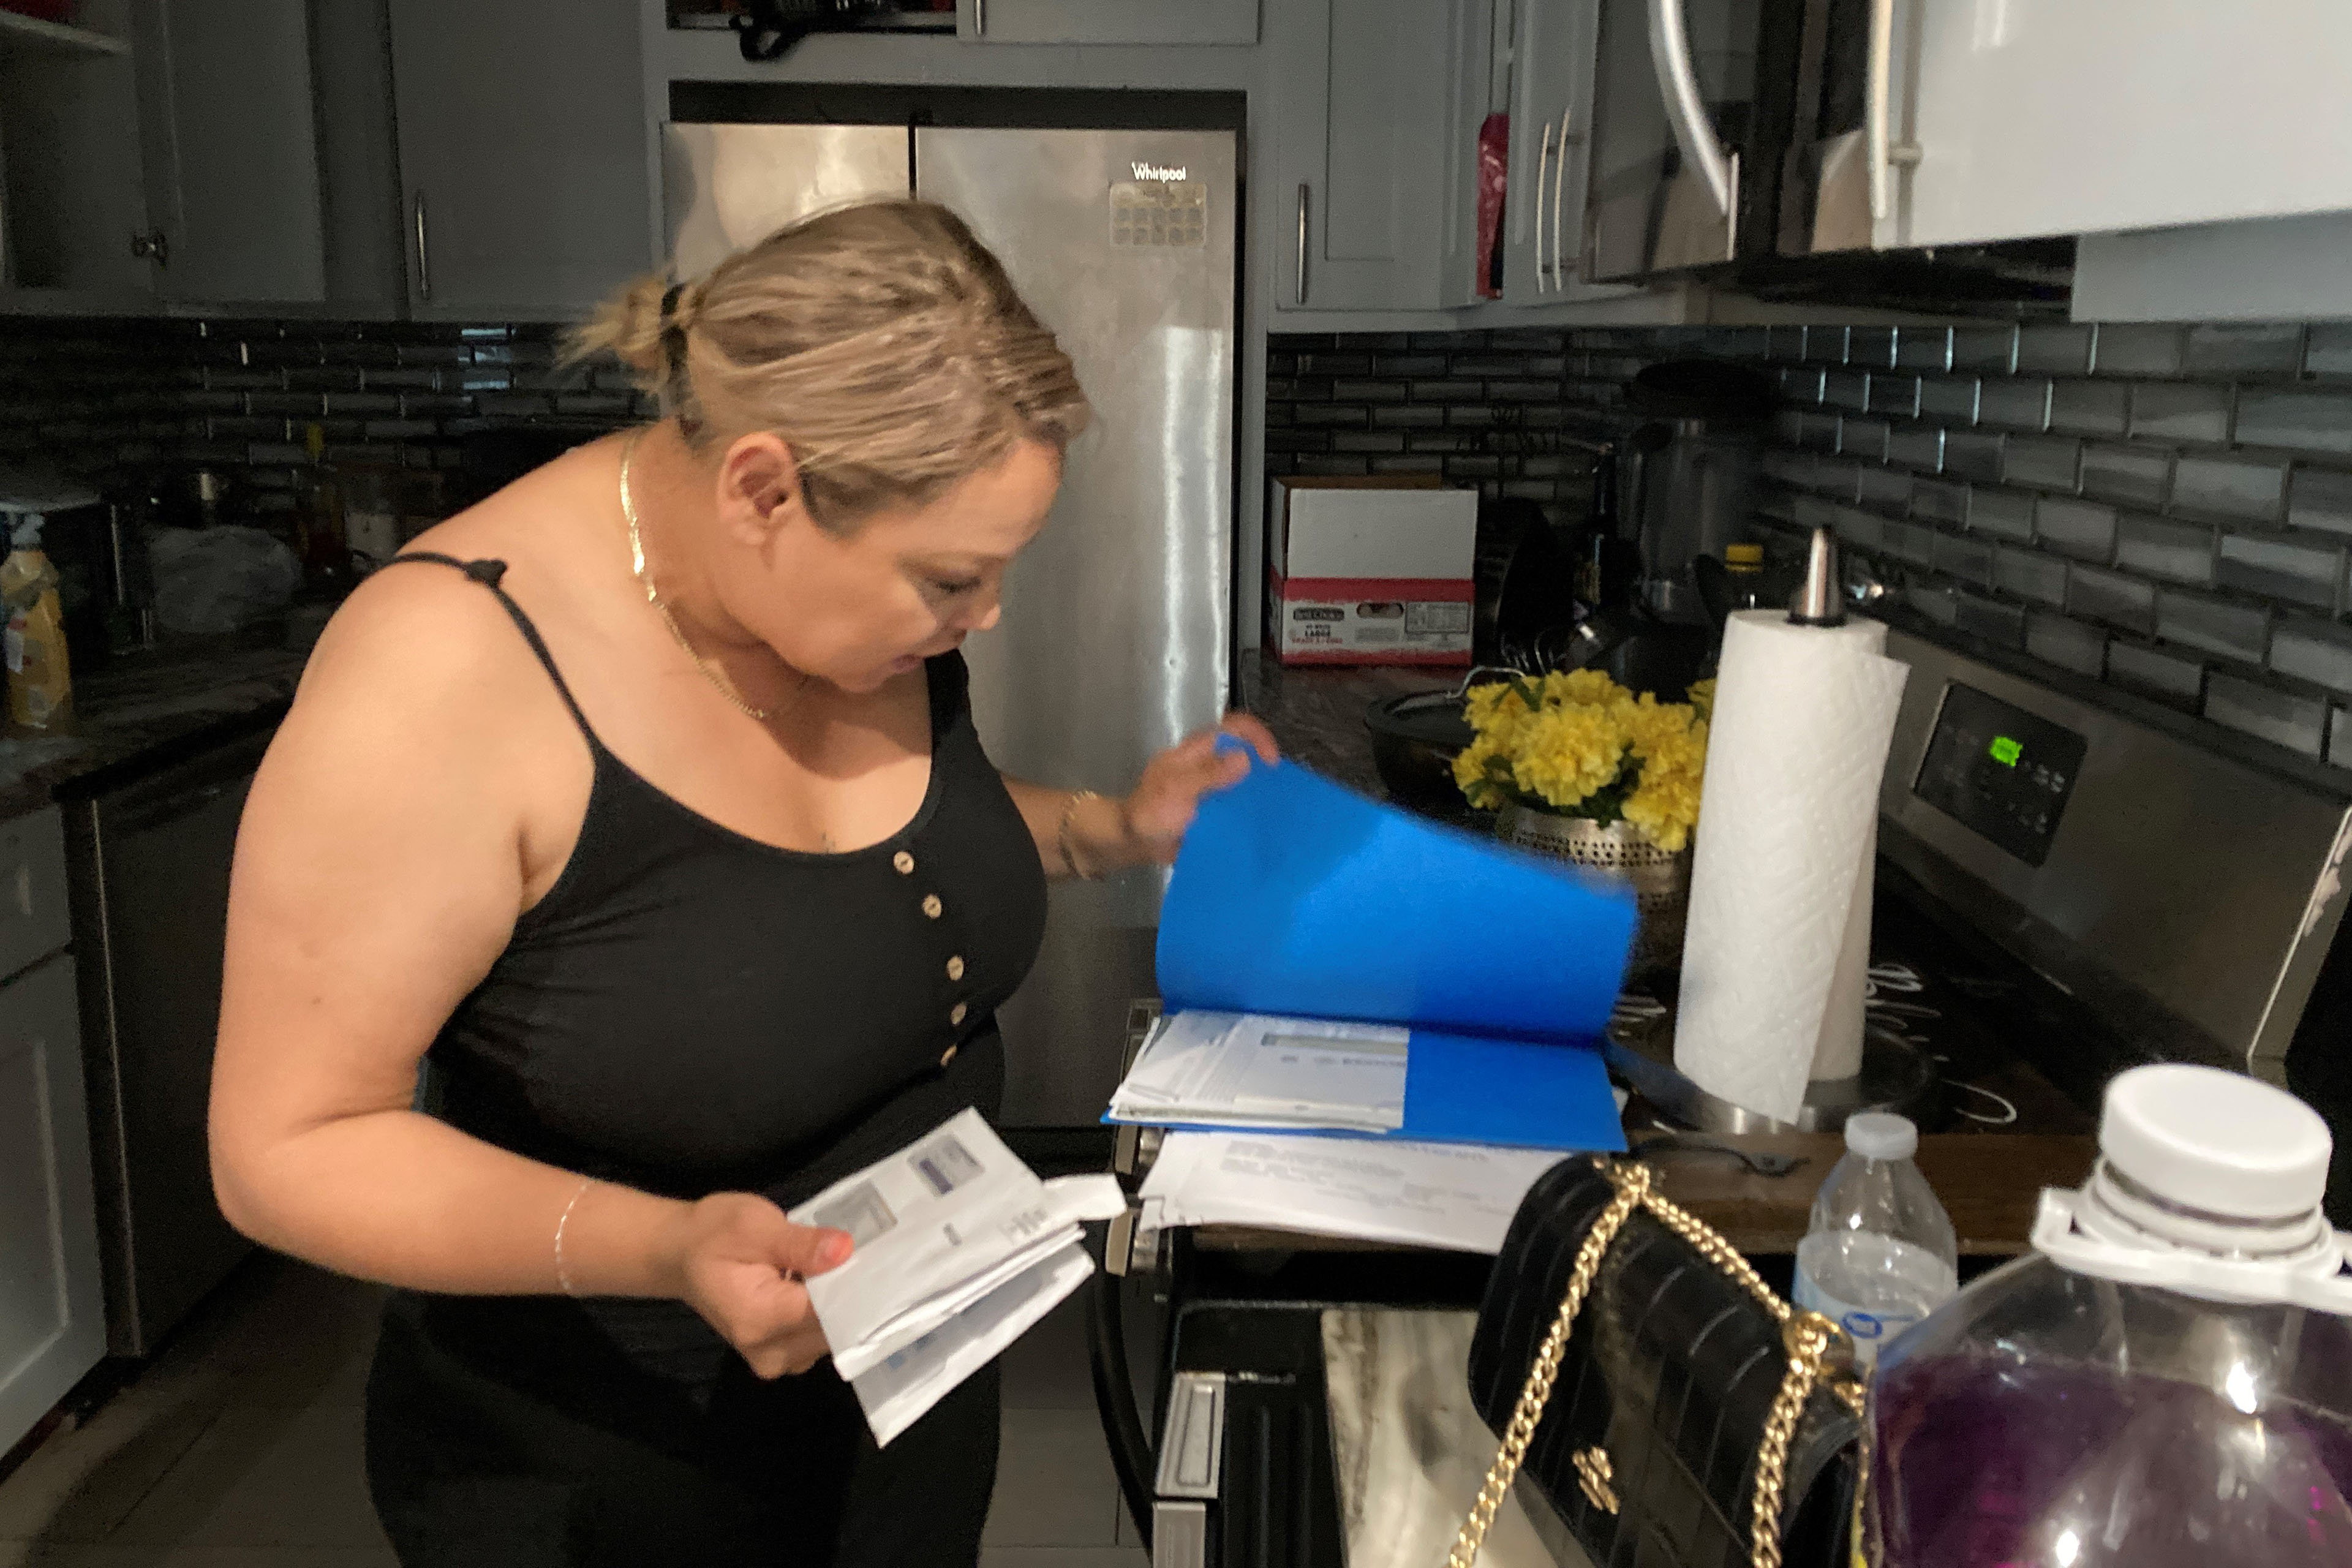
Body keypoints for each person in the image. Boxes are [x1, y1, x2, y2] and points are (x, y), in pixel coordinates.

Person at [208, 198, 1276, 1567]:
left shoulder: (846, 620)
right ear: (762, 488)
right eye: (955, 576)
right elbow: (283, 1145)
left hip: (905, 1394)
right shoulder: (446, 676)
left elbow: (863, 851)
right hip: (614, 1472)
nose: (988, 616)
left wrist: (1112, 826)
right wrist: (661, 1246)